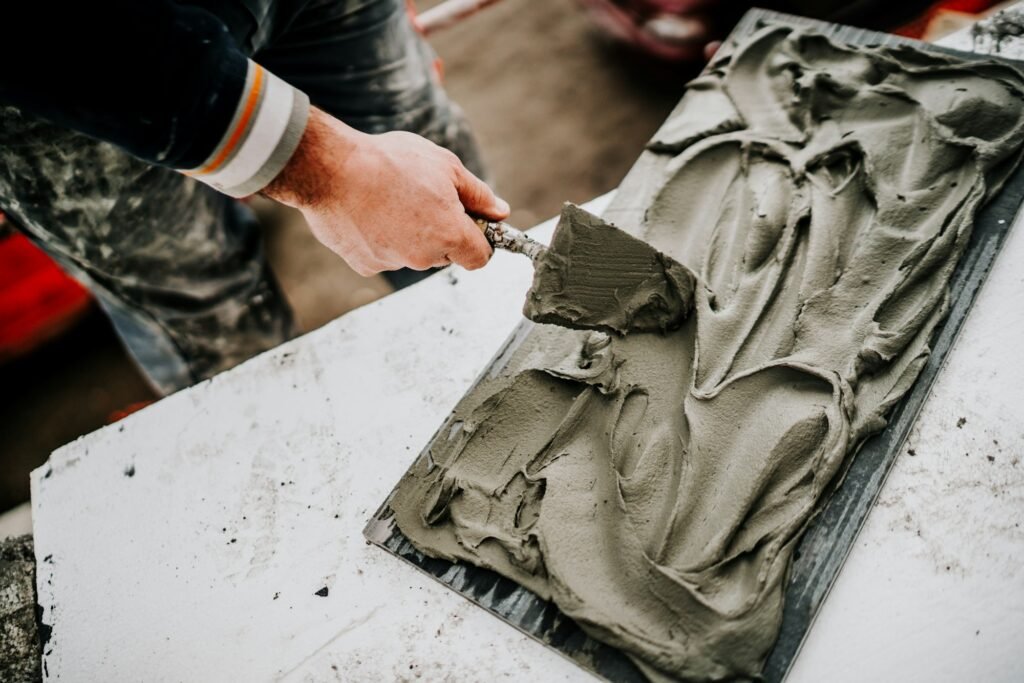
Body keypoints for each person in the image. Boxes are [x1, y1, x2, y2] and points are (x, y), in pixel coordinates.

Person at [0, 0, 509, 395]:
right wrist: (328, 169)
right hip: (69, 72)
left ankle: (507, 376)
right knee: (214, 320)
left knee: (441, 196)